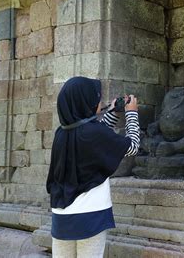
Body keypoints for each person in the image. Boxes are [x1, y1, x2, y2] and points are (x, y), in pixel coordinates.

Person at [46, 76, 140, 258]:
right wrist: (132, 113)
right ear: (85, 101)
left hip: (61, 216)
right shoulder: (93, 133)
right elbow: (132, 146)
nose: (99, 101)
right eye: (96, 97)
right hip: (90, 215)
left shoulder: (62, 132)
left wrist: (112, 112)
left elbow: (92, 136)